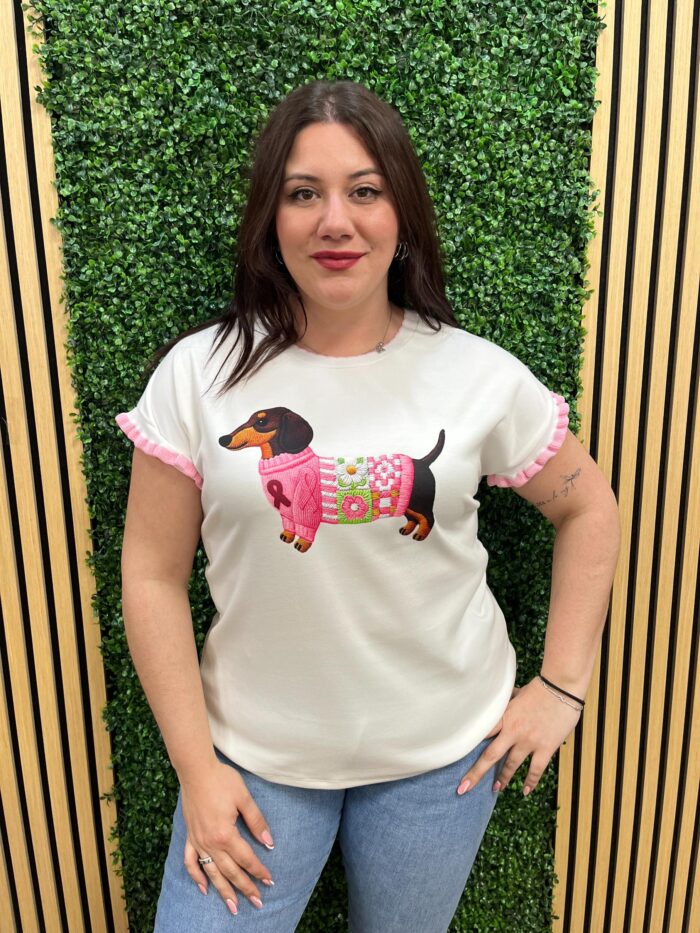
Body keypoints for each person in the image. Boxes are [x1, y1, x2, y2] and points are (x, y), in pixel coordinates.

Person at [116, 79, 620, 932]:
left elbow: (590, 509)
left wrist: (563, 686)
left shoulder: (477, 374)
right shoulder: (198, 374)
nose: (334, 221)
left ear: (402, 215)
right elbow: (151, 573)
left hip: (443, 760)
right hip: (255, 758)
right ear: (271, 219)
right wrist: (197, 770)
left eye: (364, 191)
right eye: (302, 193)